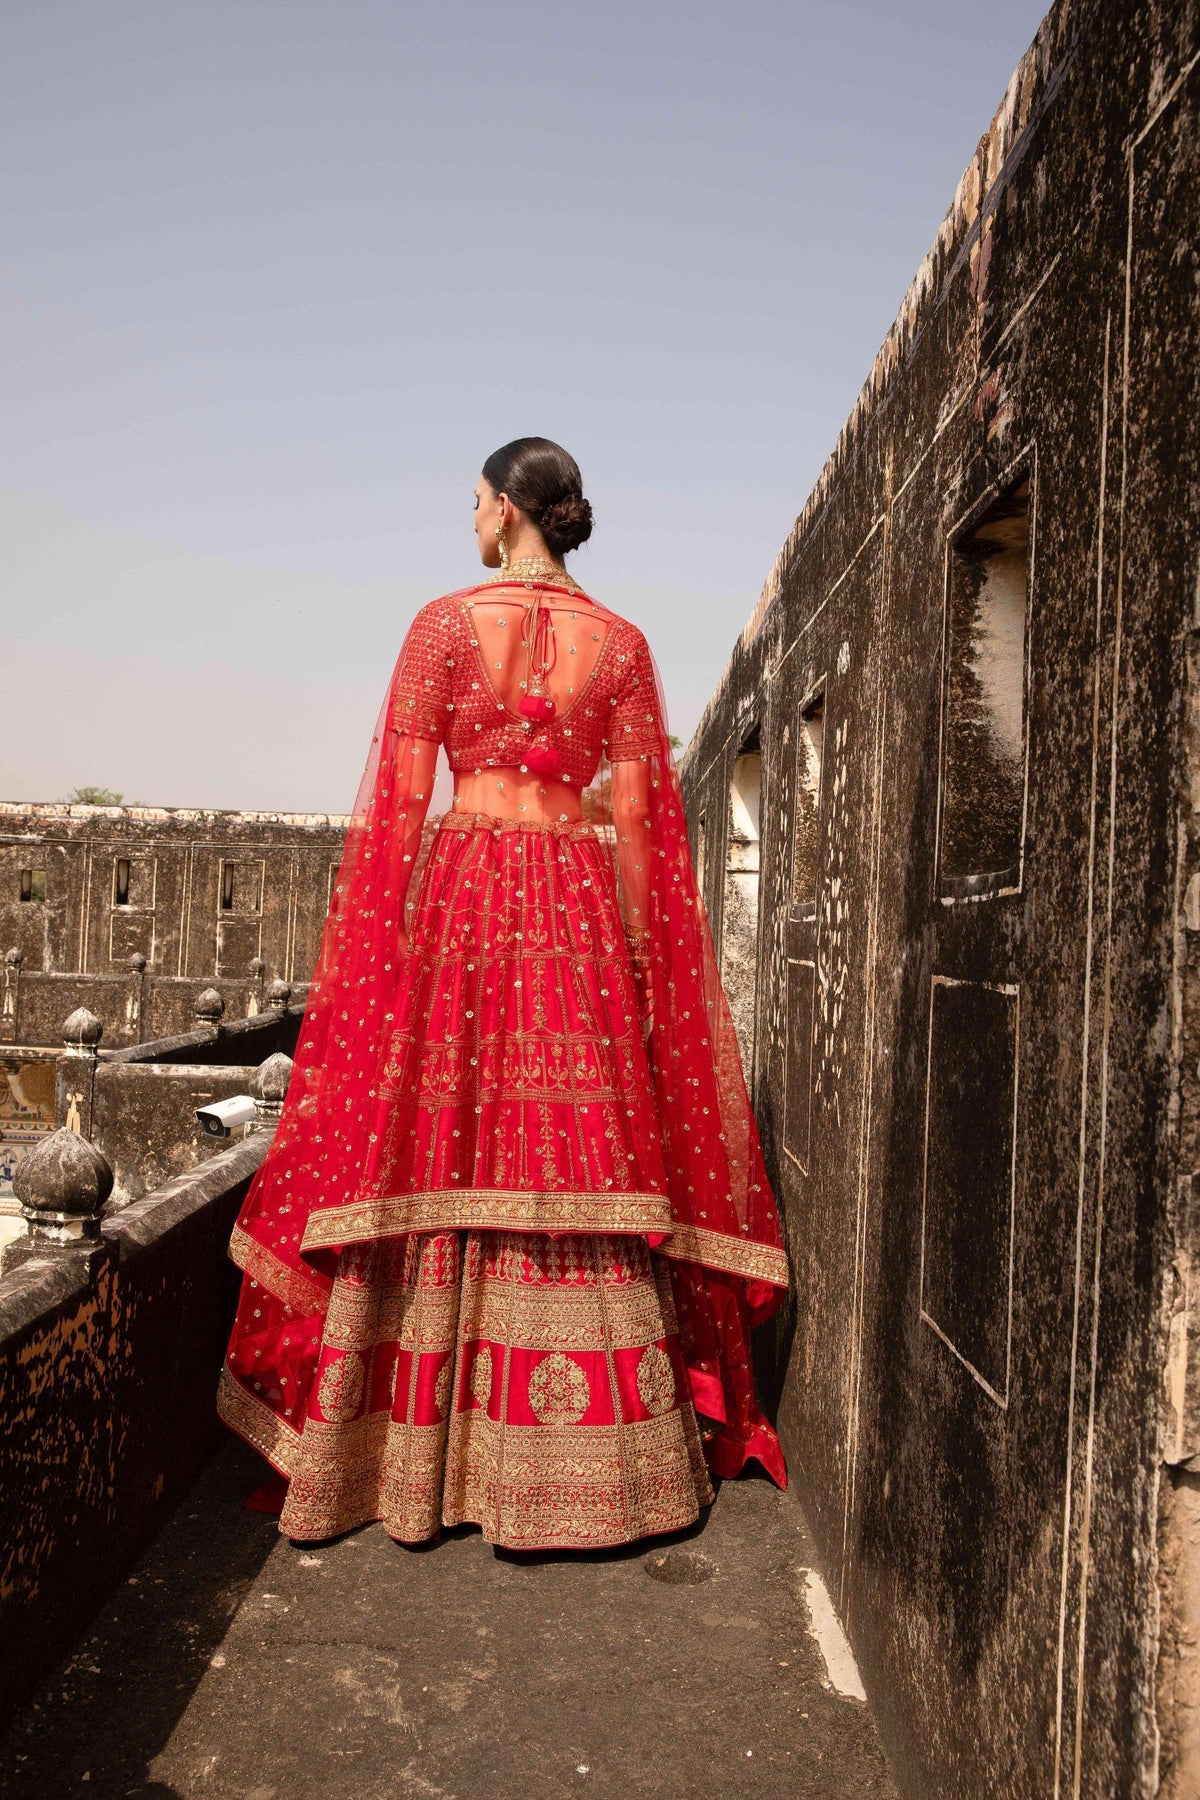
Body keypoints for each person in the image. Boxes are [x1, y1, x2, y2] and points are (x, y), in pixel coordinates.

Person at [218, 437, 788, 1550]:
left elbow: (395, 801)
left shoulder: (439, 627)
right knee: (573, 1146)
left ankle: (415, 1458)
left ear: (505, 511)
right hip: (574, 906)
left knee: (442, 1144)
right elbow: (640, 828)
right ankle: (609, 1472)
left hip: (465, 898)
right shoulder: (620, 644)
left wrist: (371, 955)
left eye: (476, 499)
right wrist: (633, 965)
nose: (470, 516)